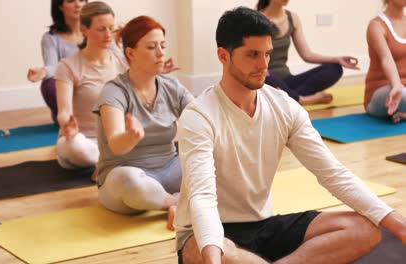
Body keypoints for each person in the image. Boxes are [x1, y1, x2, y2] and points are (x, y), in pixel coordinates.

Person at [174, 7, 406, 264]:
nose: (264, 65)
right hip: (207, 236)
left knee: (365, 229)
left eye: (267, 54)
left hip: (264, 225)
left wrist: (397, 224)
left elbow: (332, 173)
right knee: (217, 251)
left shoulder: (283, 107)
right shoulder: (199, 116)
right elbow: (203, 196)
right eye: (252, 55)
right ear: (223, 56)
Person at [93, 16, 194, 230]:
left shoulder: (171, 86)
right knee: (128, 180)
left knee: (215, 160)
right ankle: (178, 204)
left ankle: (171, 202)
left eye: (162, 46)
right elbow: (116, 144)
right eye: (151, 47)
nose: (160, 53)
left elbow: (203, 117)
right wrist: (130, 137)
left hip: (169, 171)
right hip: (127, 180)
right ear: (131, 53)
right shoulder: (114, 91)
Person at [54, 1, 127, 170]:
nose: (108, 34)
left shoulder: (121, 63)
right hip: (81, 140)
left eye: (111, 28)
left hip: (115, 140)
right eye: (101, 29)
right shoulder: (67, 66)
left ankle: (105, 162)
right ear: (84, 29)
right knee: (74, 147)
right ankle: (108, 161)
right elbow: (64, 112)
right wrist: (67, 125)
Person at [257, 0, 359, 105]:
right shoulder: (255, 19)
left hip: (287, 79)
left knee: (334, 68)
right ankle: (304, 100)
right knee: (265, 73)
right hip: (265, 78)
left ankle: (286, 97)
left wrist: (337, 59)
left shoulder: (292, 18)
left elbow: (307, 55)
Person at [27, 0, 87, 124]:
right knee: (49, 84)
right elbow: (53, 67)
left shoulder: (97, 30)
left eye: (82, 0)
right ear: (60, 6)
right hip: (69, 88)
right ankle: (67, 117)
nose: (78, 5)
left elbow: (117, 59)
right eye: (71, 1)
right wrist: (43, 72)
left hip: (93, 85)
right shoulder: (50, 38)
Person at [365, 0, 406, 123]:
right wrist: (396, 85)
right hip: (382, 91)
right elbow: (386, 59)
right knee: (403, 94)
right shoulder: (376, 26)